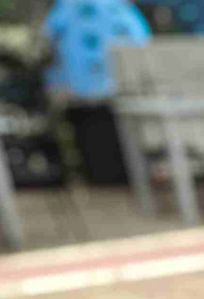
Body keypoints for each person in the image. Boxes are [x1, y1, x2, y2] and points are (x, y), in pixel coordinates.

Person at [41, 0, 150, 186]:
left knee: (93, 144)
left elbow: (49, 40)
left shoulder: (67, 6)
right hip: (120, 90)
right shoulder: (120, 8)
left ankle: (103, 181)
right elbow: (142, 41)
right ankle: (126, 179)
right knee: (122, 141)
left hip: (79, 91)